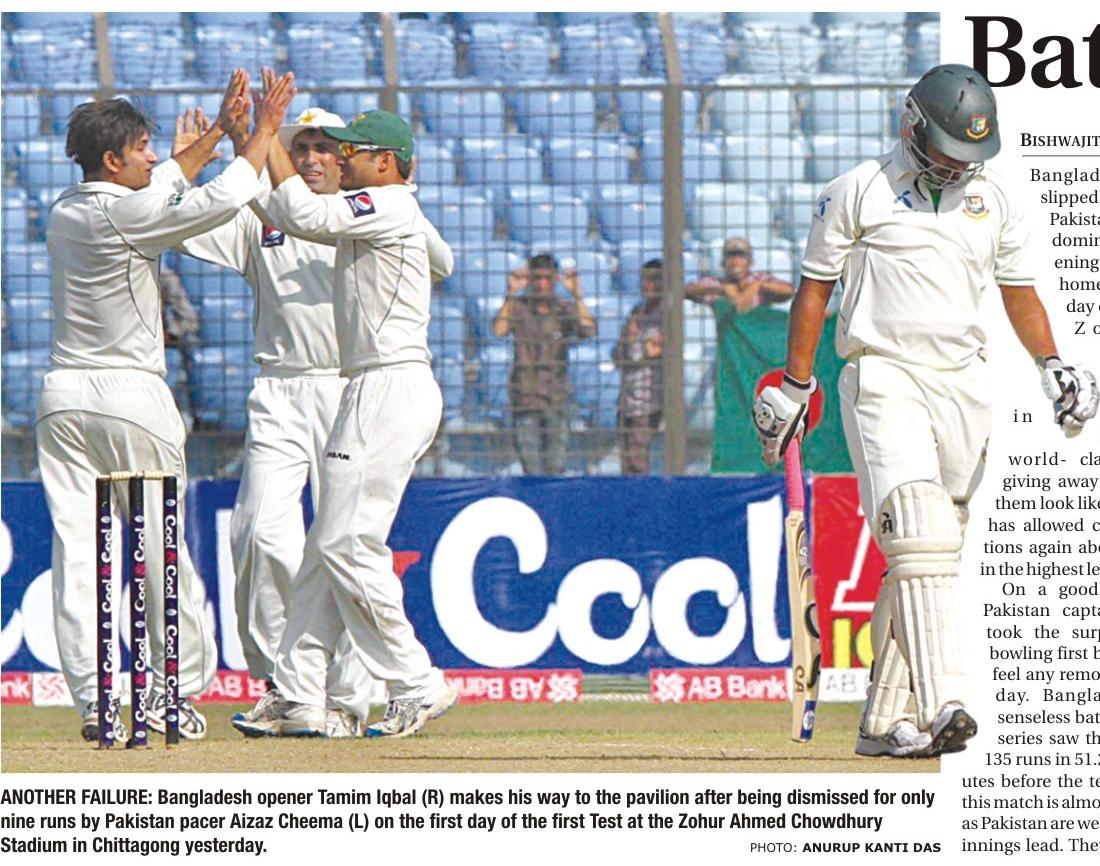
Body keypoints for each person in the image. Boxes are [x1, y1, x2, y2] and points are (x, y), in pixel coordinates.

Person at [752, 64, 1098, 759]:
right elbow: (814, 292)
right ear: (911, 125)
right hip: (884, 372)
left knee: (930, 556)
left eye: (969, 152)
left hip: (965, 383)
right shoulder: (859, 190)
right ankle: (946, 704)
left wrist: (1052, 362)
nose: (956, 164)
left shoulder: (995, 200)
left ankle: (884, 723)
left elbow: (1019, 291)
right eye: (946, 148)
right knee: (917, 529)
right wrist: (796, 384)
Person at [36, 69, 297, 742]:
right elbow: (221, 198)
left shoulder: (66, 207)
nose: (153, 157)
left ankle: (94, 701)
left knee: (77, 554)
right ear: (112, 159)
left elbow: (159, 187)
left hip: (62, 401)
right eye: (142, 149)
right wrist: (259, 133)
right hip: (130, 397)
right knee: (158, 549)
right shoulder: (129, 214)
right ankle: (171, 691)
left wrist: (206, 140)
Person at [233, 104, 457, 739]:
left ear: (386, 162)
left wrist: (265, 136)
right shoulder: (394, 208)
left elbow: (302, 215)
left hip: (387, 384)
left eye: (352, 150)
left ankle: (416, 681)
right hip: (370, 385)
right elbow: (441, 258)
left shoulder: (386, 203)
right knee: (324, 549)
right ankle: (297, 691)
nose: (341, 158)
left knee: (346, 544)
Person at [175, 107, 381, 737]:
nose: (312, 158)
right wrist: (185, 169)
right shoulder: (261, 216)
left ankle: (347, 700)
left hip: (351, 387)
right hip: (279, 388)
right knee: (260, 534)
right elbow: (178, 222)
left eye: (323, 147)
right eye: (301, 147)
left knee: (346, 546)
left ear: (343, 157)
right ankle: (285, 689)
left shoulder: (367, 211)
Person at [492, 253, 596, 475]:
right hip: (525, 396)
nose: (542, 284)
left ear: (555, 279)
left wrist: (577, 295)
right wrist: (511, 292)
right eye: (537, 278)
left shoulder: (564, 309)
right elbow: (499, 330)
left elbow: (588, 330)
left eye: (547, 278)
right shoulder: (519, 307)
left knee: (556, 466)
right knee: (531, 467)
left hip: (556, 396)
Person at [612, 258, 664, 474]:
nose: (648, 285)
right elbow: (618, 355)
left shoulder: (666, 316)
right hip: (628, 399)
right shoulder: (637, 312)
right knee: (627, 464)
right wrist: (635, 342)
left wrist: (637, 348)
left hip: (648, 402)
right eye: (645, 279)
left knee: (638, 463)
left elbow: (655, 352)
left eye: (654, 279)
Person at [685, 237, 794, 312]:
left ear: (750, 262)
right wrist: (722, 289)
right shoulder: (715, 282)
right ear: (723, 262)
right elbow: (685, 290)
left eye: (741, 257)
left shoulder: (760, 278)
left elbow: (789, 290)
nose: (735, 262)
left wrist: (758, 286)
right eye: (731, 256)